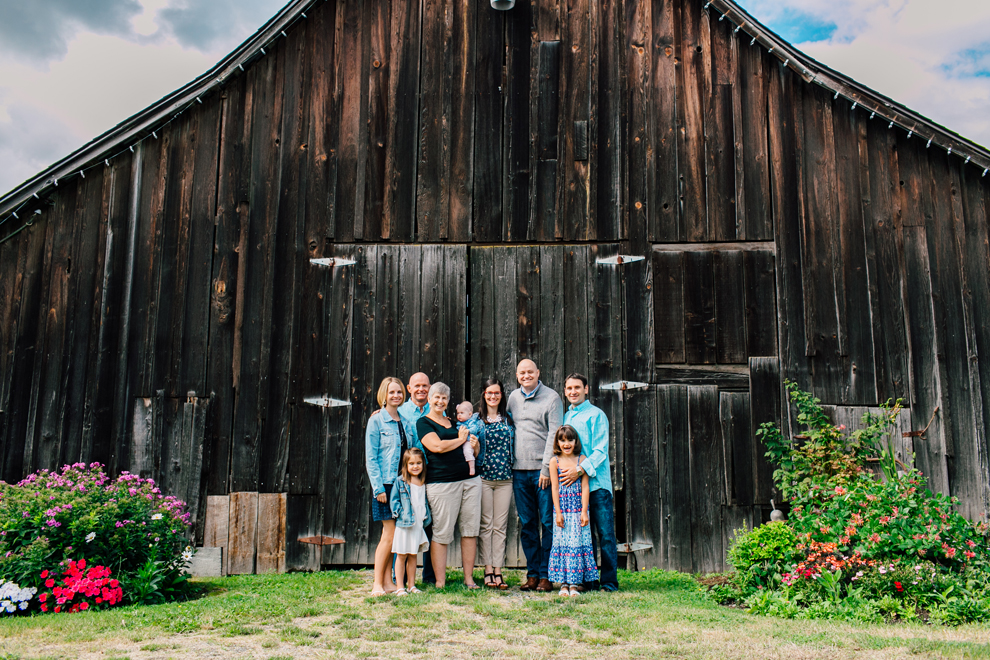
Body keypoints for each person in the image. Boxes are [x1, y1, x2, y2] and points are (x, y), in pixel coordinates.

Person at [417, 382, 485, 589]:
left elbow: (471, 452)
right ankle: (440, 582)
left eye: (444, 398)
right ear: (429, 399)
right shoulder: (424, 423)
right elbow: (436, 446)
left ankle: (469, 579)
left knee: (470, 530)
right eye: (436, 397)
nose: (440, 401)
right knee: (442, 532)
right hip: (442, 483)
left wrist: (475, 445)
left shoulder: (454, 423)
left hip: (470, 481)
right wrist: (460, 438)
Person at [506, 359, 563, 593]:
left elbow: (555, 433)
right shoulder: (512, 398)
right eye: (522, 372)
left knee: (548, 523)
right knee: (527, 524)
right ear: (517, 375)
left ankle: (546, 575)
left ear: (538, 373)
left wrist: (545, 469)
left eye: (530, 371)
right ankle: (532, 574)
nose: (526, 375)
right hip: (518, 472)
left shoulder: (552, 398)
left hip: (543, 473)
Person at [560, 373, 618, 592]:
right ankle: (589, 581)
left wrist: (579, 469)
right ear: (565, 391)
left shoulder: (597, 415)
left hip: (597, 485)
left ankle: (609, 582)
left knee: (605, 534)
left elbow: (601, 450)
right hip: (575, 488)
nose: (573, 391)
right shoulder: (567, 416)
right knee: (585, 536)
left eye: (577, 387)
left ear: (586, 389)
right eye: (569, 388)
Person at [365, 377, 419, 596]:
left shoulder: (405, 422)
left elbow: (412, 451)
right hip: (385, 485)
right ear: (383, 395)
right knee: (389, 533)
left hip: (401, 486)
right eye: (391, 392)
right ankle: (377, 584)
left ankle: (388, 581)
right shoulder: (376, 421)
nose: (396, 395)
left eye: (398, 392)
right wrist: (378, 489)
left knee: (394, 535)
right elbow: (372, 458)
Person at [548, 425, 598, 597]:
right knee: (563, 544)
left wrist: (584, 511)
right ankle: (564, 583)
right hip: (562, 510)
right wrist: (558, 512)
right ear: (558, 442)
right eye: (562, 440)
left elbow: (585, 486)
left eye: (570, 440)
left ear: (576, 441)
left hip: (578, 510)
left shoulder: (582, 460)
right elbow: (554, 488)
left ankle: (575, 583)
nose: (566, 444)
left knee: (577, 544)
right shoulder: (555, 461)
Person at [476, 377, 514, 590]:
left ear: (501, 395)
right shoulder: (476, 419)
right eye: (489, 392)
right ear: (484, 394)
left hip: (505, 479)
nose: (493, 396)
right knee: (486, 525)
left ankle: (498, 570)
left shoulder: (508, 419)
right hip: (483, 478)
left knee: (500, 527)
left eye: (496, 393)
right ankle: (487, 568)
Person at [390, 448, 431, 596]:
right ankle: (400, 586)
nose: (415, 466)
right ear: (405, 465)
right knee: (401, 555)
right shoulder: (401, 481)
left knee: (413, 555)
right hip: (405, 525)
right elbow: (394, 501)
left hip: (418, 525)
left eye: (419, 463)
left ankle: (411, 585)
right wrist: (400, 514)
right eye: (411, 463)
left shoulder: (422, 481)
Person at [455, 401, 483, 476]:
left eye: (462, 413)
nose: (459, 415)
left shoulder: (471, 422)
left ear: (470, 414)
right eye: (458, 413)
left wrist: (467, 431)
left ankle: (472, 468)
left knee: (468, 451)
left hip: (469, 441)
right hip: (462, 441)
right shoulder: (459, 423)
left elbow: (474, 429)